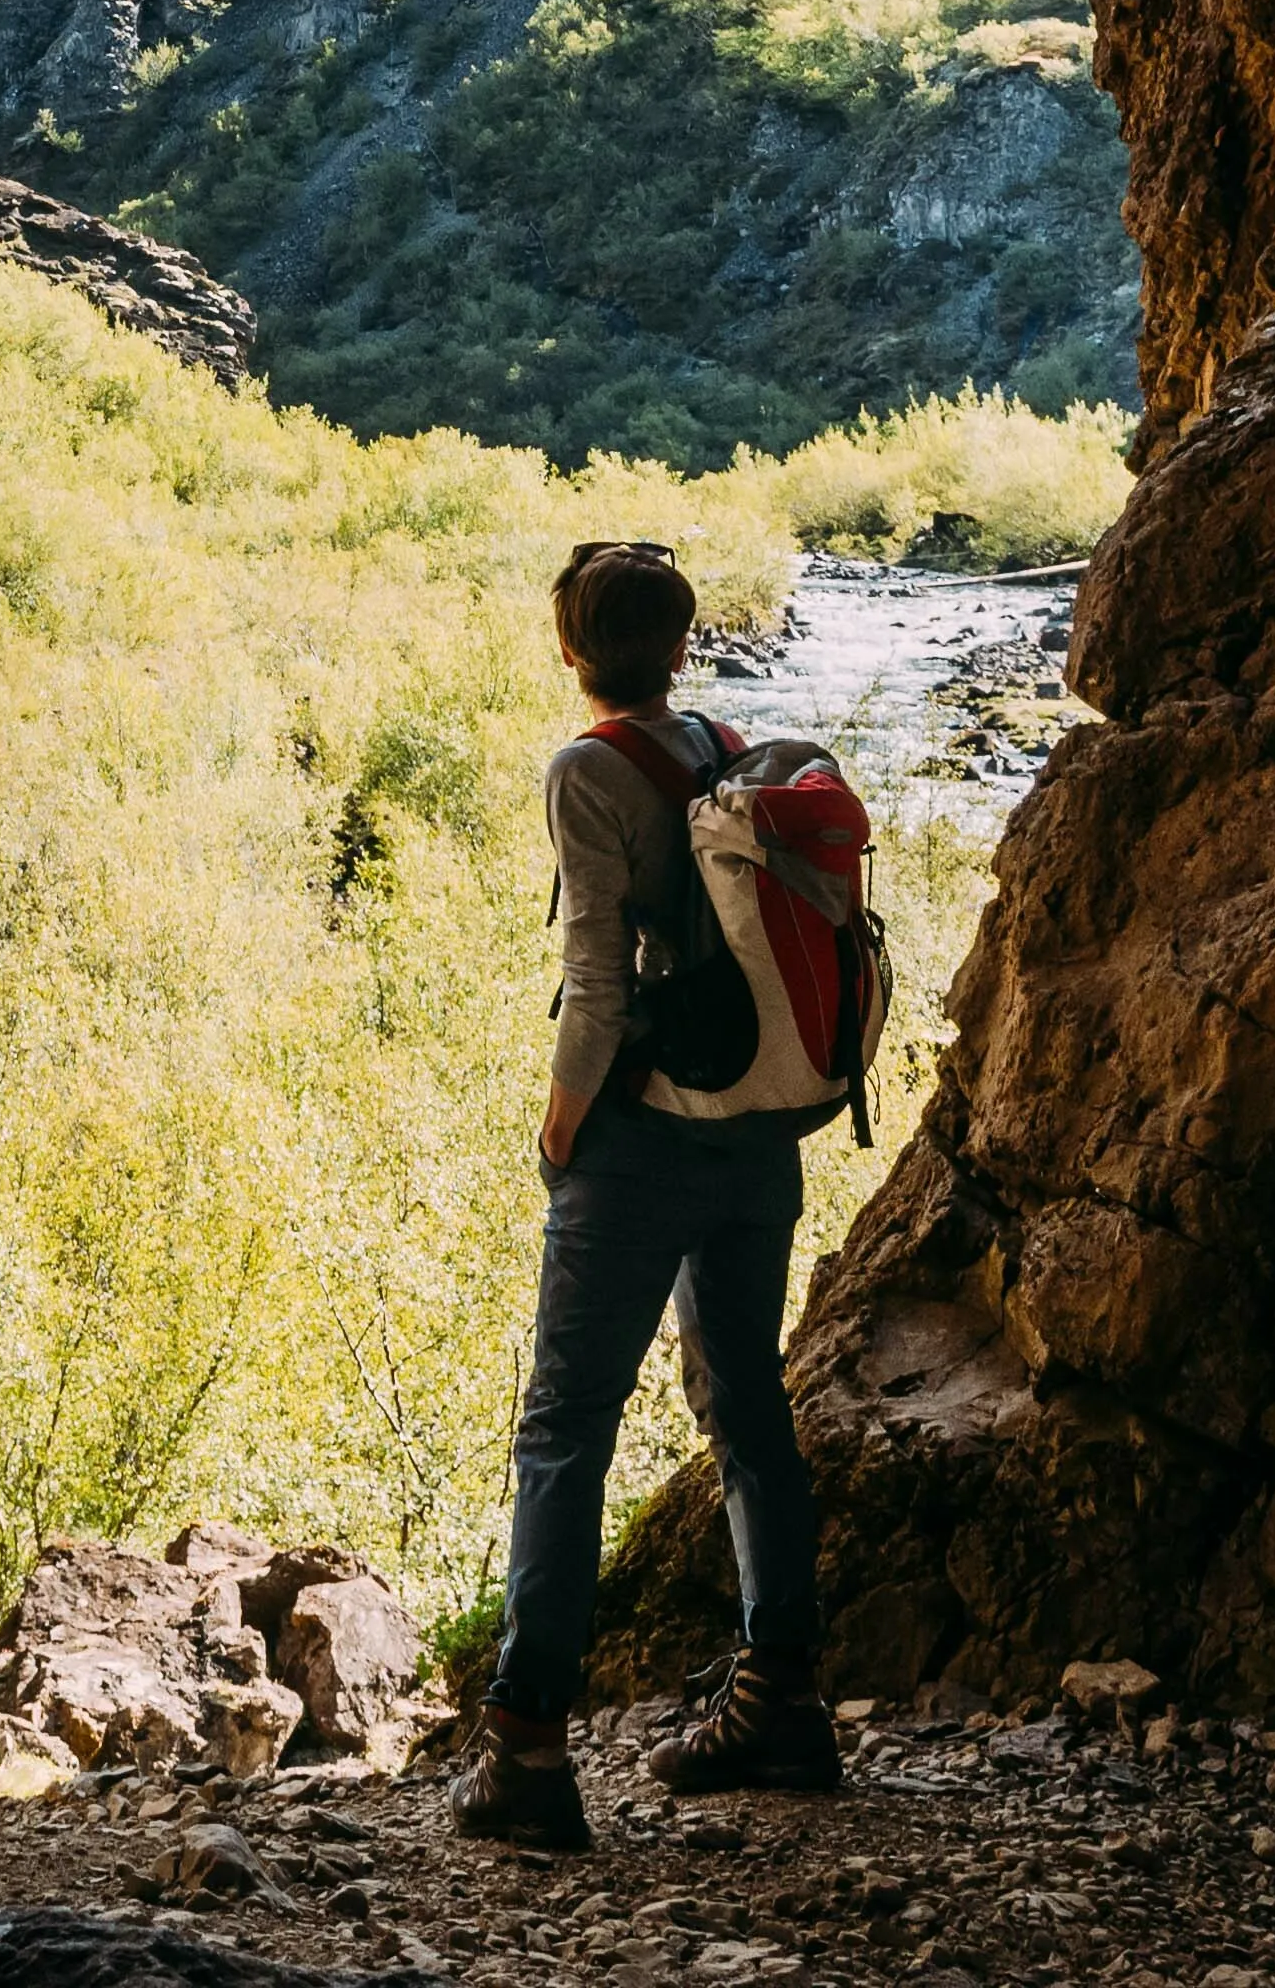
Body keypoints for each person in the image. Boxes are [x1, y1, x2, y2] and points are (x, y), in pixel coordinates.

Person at [452, 540, 838, 1854]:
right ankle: (779, 1696)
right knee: (747, 1405)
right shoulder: (732, 747)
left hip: (640, 1143)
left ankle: (527, 1747)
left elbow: (596, 979)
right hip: (758, 1136)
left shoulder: (586, 770)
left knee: (566, 1431)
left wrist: (564, 1129)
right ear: (682, 645)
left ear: (571, 650)